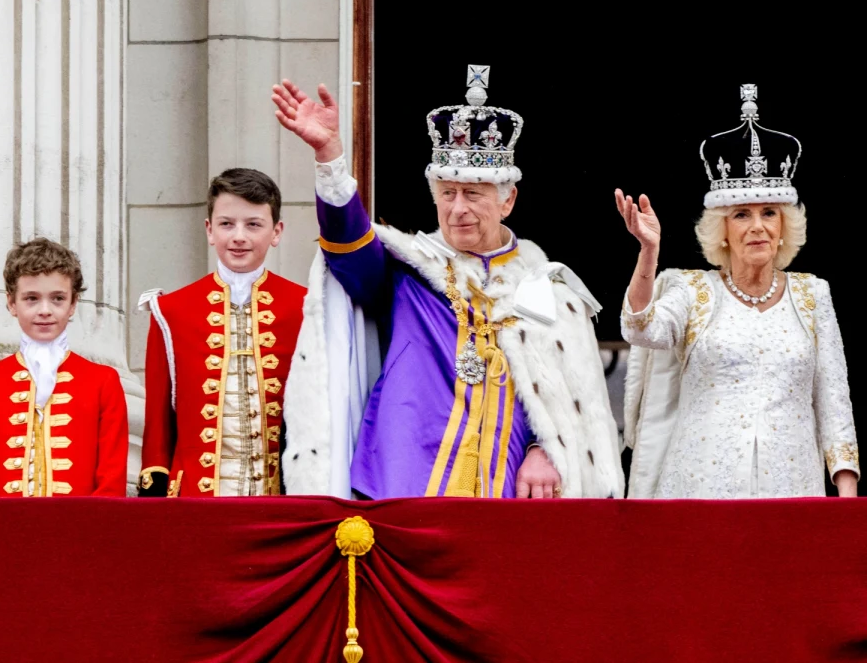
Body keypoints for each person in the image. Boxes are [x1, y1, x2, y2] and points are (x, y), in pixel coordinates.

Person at [273, 67, 623, 499]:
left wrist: (544, 449)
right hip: (403, 484)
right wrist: (330, 158)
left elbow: (563, 399)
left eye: (473, 193)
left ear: (507, 200)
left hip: (508, 486)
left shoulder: (546, 289)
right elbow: (348, 247)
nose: (458, 208)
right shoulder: (408, 271)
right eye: (447, 193)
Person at [618, 84, 857, 498]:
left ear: (783, 226)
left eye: (769, 213)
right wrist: (649, 251)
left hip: (791, 486)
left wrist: (845, 497)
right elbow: (641, 329)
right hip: (700, 487)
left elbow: (833, 398)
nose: (758, 226)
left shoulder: (813, 294)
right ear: (723, 230)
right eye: (742, 214)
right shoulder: (693, 290)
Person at [138, 168, 306, 497]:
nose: (238, 236)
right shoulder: (170, 311)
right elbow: (157, 425)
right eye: (226, 223)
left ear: (276, 231)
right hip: (194, 506)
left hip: (281, 501)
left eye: (253, 224)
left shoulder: (306, 306)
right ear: (209, 230)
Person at [0, 237, 128, 497]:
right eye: (31, 298)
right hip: (0, 533)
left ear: (73, 304)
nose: (45, 310)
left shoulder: (102, 381)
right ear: (11, 303)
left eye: (58, 299)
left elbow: (111, 477)